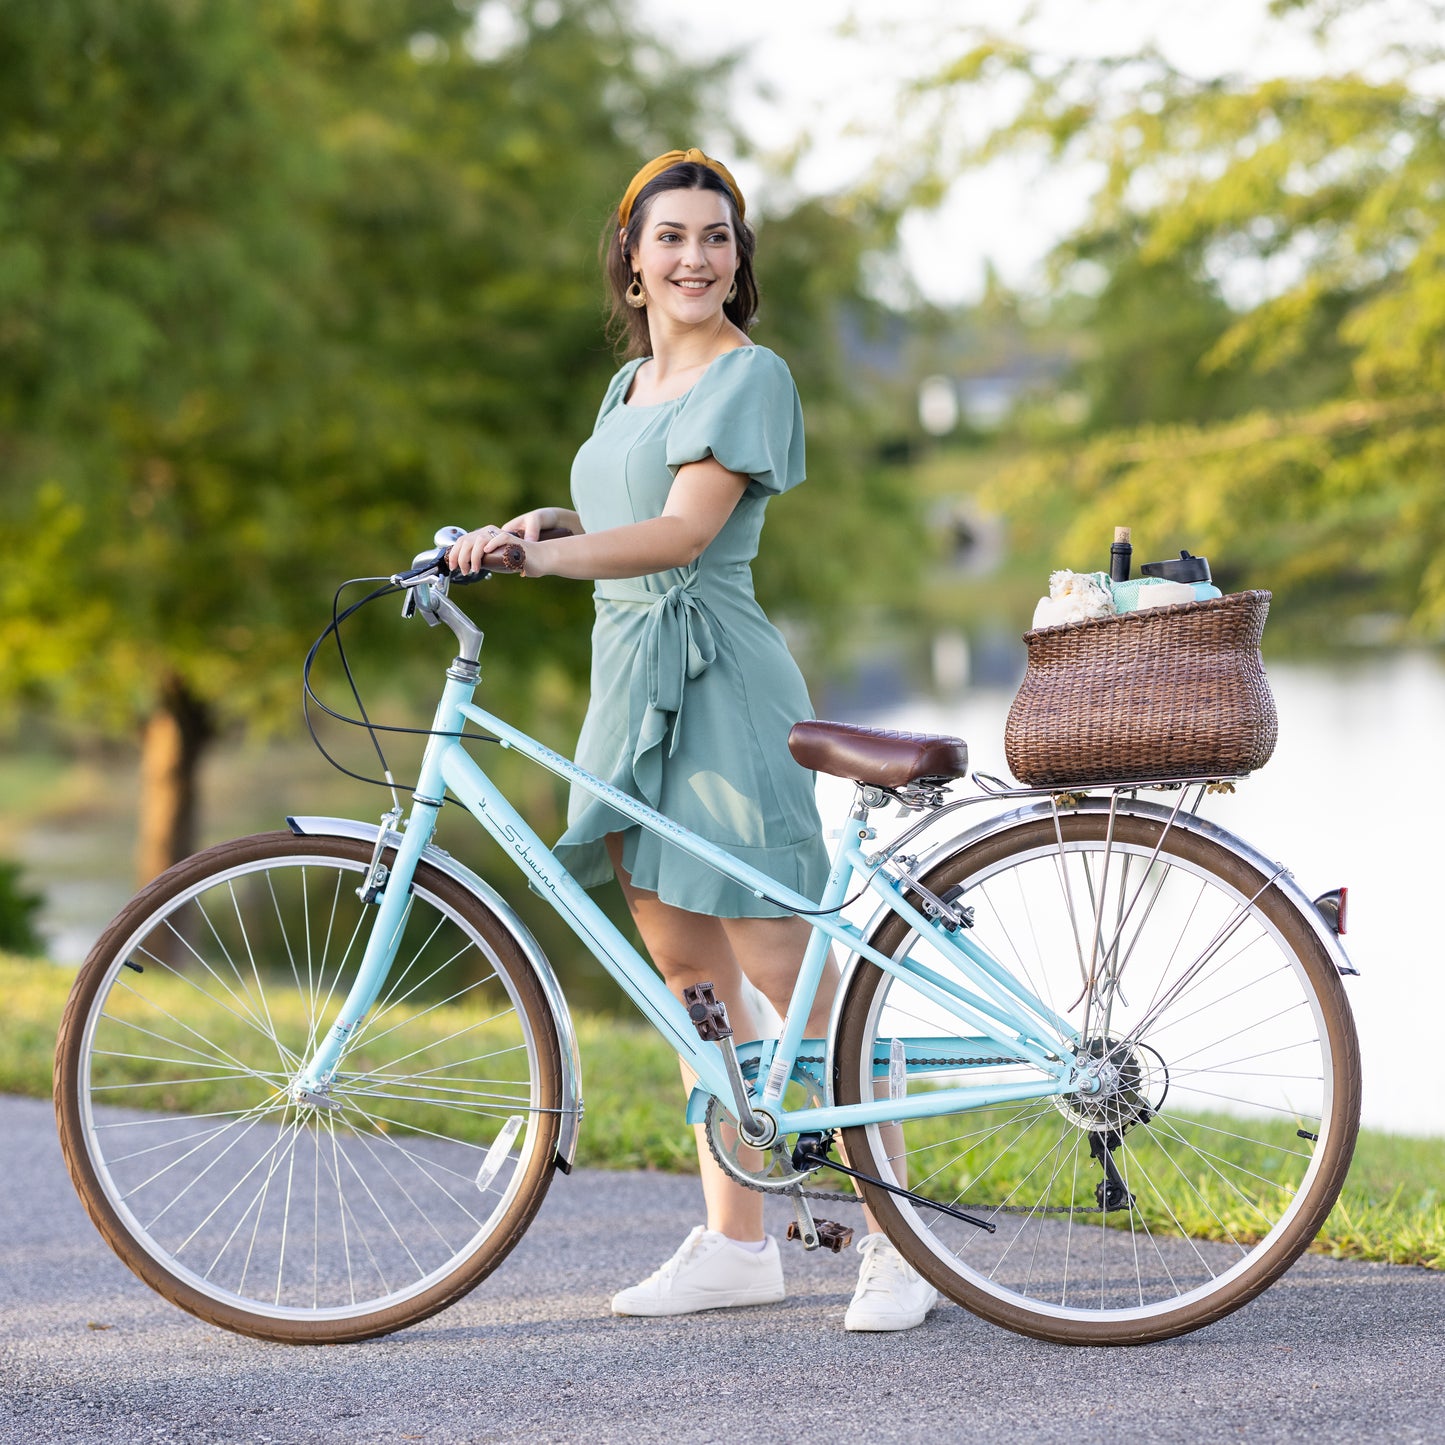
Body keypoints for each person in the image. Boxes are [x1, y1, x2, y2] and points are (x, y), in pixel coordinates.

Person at [447, 148, 936, 1332]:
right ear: (629, 260)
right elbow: (626, 511)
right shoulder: (626, 392)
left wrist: (541, 560)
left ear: (736, 258)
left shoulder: (750, 375)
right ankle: (734, 1242)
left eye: (715, 238)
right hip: (629, 682)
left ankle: (899, 1242)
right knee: (687, 983)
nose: (694, 258)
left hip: (720, 684)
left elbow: (678, 535)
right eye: (669, 237)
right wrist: (549, 522)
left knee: (795, 981)